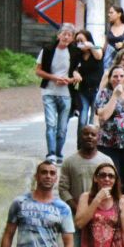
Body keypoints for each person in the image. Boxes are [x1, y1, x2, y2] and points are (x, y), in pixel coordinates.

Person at [59, 125, 111, 247]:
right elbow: (63, 188)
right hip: (75, 218)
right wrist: (78, 208)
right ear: (80, 137)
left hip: (101, 219)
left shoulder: (105, 160)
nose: (89, 137)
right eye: (86, 134)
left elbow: (112, 186)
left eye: (93, 134)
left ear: (99, 137)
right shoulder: (70, 162)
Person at [35, 24, 80, 162]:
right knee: (51, 124)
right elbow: (38, 71)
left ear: (72, 38)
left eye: (70, 35)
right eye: (64, 34)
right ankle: (51, 154)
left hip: (66, 94)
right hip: (48, 91)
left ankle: (59, 153)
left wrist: (69, 79)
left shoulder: (75, 53)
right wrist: (55, 78)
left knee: (62, 128)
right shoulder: (48, 49)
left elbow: (78, 76)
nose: (66, 37)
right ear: (58, 35)